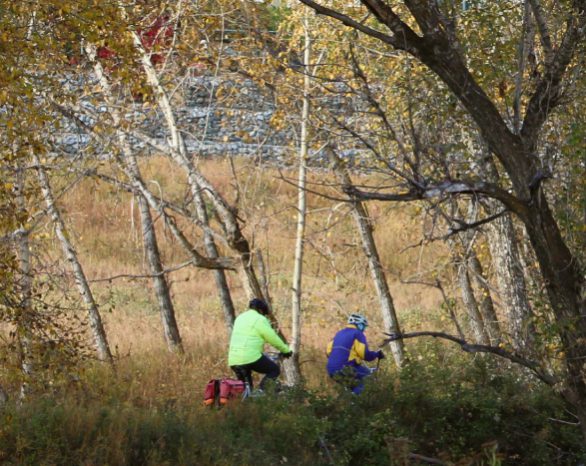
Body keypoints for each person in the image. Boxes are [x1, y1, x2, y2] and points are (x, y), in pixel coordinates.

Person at [228, 298, 292, 391]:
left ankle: (245, 403)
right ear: (261, 310)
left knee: (246, 390)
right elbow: (272, 337)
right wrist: (286, 350)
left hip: (233, 359)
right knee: (274, 370)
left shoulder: (240, 317)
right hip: (249, 357)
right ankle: (263, 389)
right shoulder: (259, 319)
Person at [326, 313, 384, 394]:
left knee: (352, 385)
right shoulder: (357, 334)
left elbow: (328, 351)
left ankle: (348, 402)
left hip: (331, 369)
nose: (364, 329)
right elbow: (365, 354)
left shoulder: (339, 334)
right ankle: (357, 403)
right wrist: (376, 354)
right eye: (363, 326)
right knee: (368, 376)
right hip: (346, 367)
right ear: (359, 325)